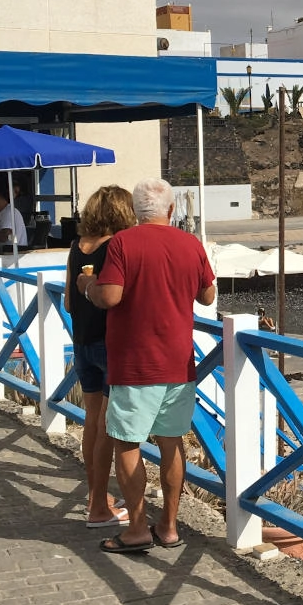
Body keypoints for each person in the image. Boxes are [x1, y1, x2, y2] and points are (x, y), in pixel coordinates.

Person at [77, 179, 215, 554]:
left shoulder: (124, 243)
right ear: (171, 210)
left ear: (137, 212)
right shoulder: (191, 243)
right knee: (172, 442)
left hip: (135, 362)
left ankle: (137, 529)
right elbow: (207, 296)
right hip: (178, 361)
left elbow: (110, 296)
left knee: (127, 443)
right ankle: (168, 527)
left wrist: (87, 285)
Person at [64, 186, 136, 529]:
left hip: (82, 342)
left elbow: (68, 302)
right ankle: (98, 509)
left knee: (92, 422)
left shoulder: (76, 247)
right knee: (107, 426)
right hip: (110, 343)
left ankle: (98, 497)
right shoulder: (118, 247)